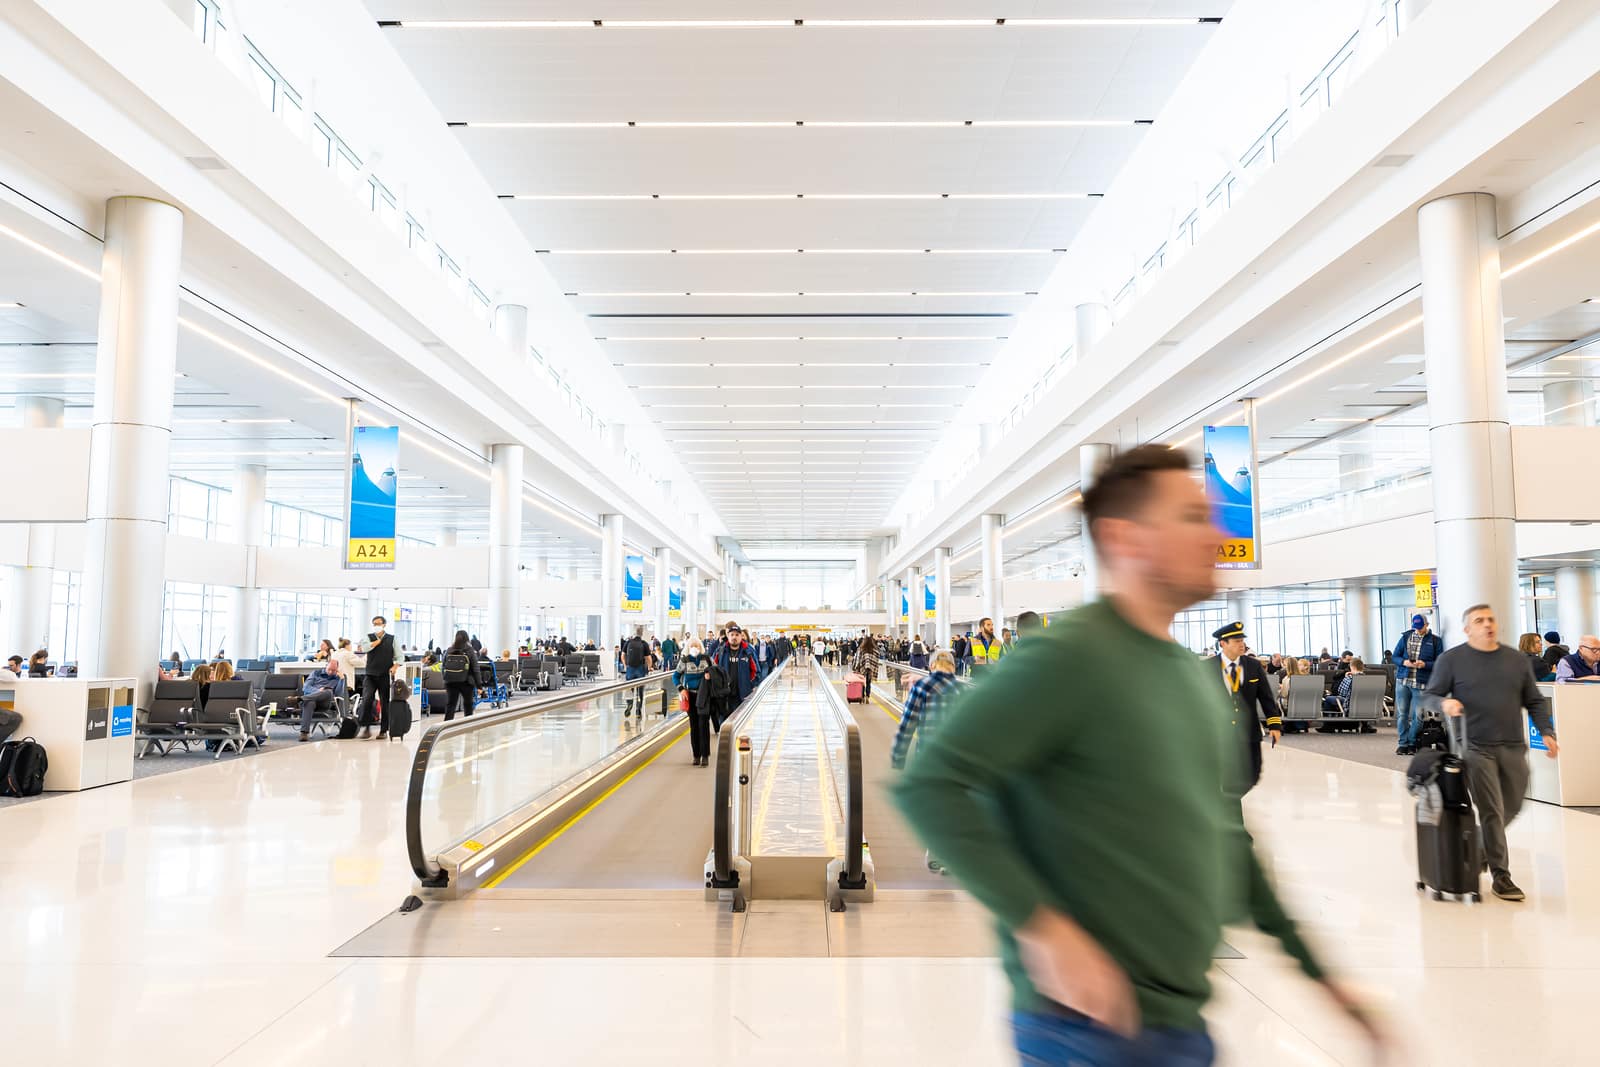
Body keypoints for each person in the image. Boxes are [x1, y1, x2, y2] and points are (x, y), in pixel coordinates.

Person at [892, 444, 1381, 1065]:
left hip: (1178, 1021)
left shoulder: (1187, 675)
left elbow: (1225, 836)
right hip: (1086, 1026)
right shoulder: (1067, 657)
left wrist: (1320, 974)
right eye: (1191, 517)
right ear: (1125, 538)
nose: (1216, 535)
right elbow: (932, 784)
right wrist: (1044, 929)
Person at [1424, 603, 1559, 903]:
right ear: (1467, 628)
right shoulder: (1452, 660)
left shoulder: (1515, 660)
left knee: (1512, 805)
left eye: (1491, 619)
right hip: (1474, 746)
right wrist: (1444, 704)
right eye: (1479, 620)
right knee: (1492, 811)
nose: (1487, 624)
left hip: (1512, 746)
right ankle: (1502, 876)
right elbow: (1429, 695)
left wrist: (1547, 732)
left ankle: (1475, 852)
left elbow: (1534, 700)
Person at [890, 648, 963, 873]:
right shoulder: (961, 690)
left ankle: (935, 848)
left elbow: (907, 725)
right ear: (953, 667)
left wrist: (898, 758)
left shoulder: (921, 687)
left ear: (931, 666)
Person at [1210, 621, 1281, 791]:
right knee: (1224, 777)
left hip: (1249, 732)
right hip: (1220, 734)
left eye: (1242, 640)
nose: (1242, 644)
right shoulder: (1207, 667)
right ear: (1223, 643)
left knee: (1251, 776)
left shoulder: (1253, 666)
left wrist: (1274, 724)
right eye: (1236, 641)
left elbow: (1266, 697)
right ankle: (1229, 809)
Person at [1392, 613, 1444, 756]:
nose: (1418, 630)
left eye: (1420, 627)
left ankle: (1412, 741)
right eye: (1415, 627)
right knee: (1402, 714)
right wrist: (1404, 662)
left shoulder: (1435, 641)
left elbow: (1440, 663)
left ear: (1427, 625)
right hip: (1403, 681)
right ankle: (1403, 744)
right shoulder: (1405, 637)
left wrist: (1425, 664)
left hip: (1421, 683)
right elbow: (1395, 657)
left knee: (1418, 716)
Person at [357, 616, 398, 740]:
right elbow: (363, 648)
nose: (376, 626)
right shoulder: (368, 637)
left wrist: (395, 666)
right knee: (367, 699)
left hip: (384, 674)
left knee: (384, 702)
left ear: (384, 625)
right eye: (374, 624)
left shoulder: (392, 639)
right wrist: (375, 643)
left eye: (379, 624)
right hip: (370, 674)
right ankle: (366, 727)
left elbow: (399, 656)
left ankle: (384, 730)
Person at [674, 638, 712, 766]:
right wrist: (681, 689)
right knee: (694, 725)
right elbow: (676, 676)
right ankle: (696, 755)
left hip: (704, 696)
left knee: (704, 725)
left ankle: (705, 755)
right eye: (692, 646)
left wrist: (710, 676)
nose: (694, 648)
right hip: (690, 695)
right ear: (688, 648)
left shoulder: (706, 659)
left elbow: (716, 671)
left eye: (696, 645)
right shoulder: (684, 660)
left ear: (700, 647)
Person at [297, 658, 345, 741]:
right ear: (326, 666)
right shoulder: (315, 673)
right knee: (310, 703)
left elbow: (338, 694)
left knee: (328, 692)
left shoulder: (338, 678)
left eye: (333, 670)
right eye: (329, 669)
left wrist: (342, 679)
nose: (330, 672)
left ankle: (300, 699)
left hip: (325, 702)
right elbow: (306, 687)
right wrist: (318, 691)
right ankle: (304, 733)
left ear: (337, 670)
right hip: (311, 699)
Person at [714, 626, 758, 716]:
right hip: (724, 695)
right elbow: (713, 669)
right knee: (723, 722)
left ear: (741, 636)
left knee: (741, 721)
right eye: (732, 635)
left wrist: (751, 686)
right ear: (728, 636)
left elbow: (756, 670)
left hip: (742, 694)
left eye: (737, 635)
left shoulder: (748, 651)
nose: (734, 637)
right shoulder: (720, 651)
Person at [440, 630, 479, 722]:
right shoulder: (470, 651)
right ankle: (468, 726)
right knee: (468, 705)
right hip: (466, 682)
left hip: (451, 682)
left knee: (451, 705)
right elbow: (475, 669)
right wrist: (479, 684)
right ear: (467, 638)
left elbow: (443, 666)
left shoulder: (449, 650)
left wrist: (445, 679)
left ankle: (446, 727)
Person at [622, 628, 651, 716]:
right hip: (640, 669)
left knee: (629, 689)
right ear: (641, 634)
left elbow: (623, 655)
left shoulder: (628, 642)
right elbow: (648, 658)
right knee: (640, 690)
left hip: (630, 669)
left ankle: (629, 704)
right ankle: (638, 709)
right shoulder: (644, 643)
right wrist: (649, 668)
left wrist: (625, 665)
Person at [852, 634, 880, 700]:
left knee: (862, 682)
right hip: (870, 669)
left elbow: (857, 658)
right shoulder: (874, 650)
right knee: (868, 682)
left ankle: (862, 696)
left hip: (862, 668)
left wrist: (855, 667)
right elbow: (876, 659)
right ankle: (867, 696)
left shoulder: (861, 649)